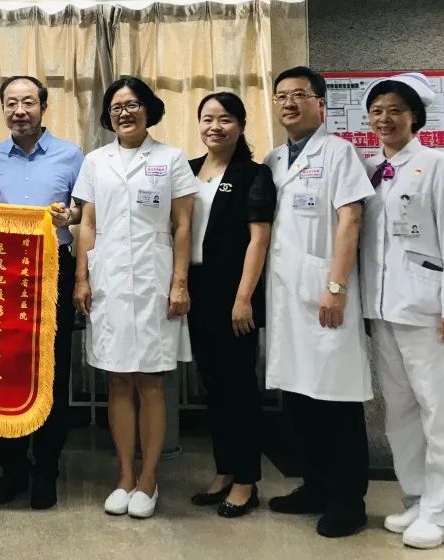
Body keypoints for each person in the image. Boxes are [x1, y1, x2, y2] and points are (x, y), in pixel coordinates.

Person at [359, 73, 444, 549]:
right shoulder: (372, 169)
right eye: (377, 111)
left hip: (431, 311)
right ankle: (417, 498)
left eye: (395, 110)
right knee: (400, 411)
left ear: (415, 118)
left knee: (440, 413)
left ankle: (443, 514)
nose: (384, 119)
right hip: (385, 309)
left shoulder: (438, 166)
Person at [72, 76, 196, 520]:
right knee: (118, 379)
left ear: (149, 109)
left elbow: (183, 225)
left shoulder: (171, 158)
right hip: (107, 279)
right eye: (116, 107)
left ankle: (149, 478)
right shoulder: (95, 161)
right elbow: (87, 224)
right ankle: (124, 476)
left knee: (151, 381)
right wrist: (82, 278)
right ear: (108, 116)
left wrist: (179, 282)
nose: (124, 113)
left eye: (133, 104)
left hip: (154, 278)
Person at [263, 66, 374, 538]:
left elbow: (351, 220)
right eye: (281, 96)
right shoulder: (273, 159)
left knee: (336, 398)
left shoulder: (339, 152)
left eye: (299, 95)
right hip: (286, 296)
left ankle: (349, 501)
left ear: (320, 104)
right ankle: (314, 486)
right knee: (298, 396)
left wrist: (336, 285)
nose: (289, 103)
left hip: (326, 293)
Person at [0, 75, 84, 510]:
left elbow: (86, 213)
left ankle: (46, 470)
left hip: (54, 268)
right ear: (3, 109)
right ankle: (12, 469)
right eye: (11, 103)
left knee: (52, 372)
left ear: (43, 107)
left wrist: (69, 216)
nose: (19, 110)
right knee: (6, 370)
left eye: (27, 102)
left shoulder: (71, 155)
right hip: (4, 273)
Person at [186, 92, 275, 518]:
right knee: (213, 385)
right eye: (207, 119)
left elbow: (259, 240)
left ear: (240, 125)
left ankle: (246, 480)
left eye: (224, 119)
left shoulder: (253, 174)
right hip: (195, 290)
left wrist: (244, 299)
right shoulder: (188, 170)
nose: (214, 127)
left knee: (238, 386)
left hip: (234, 292)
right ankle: (224, 470)